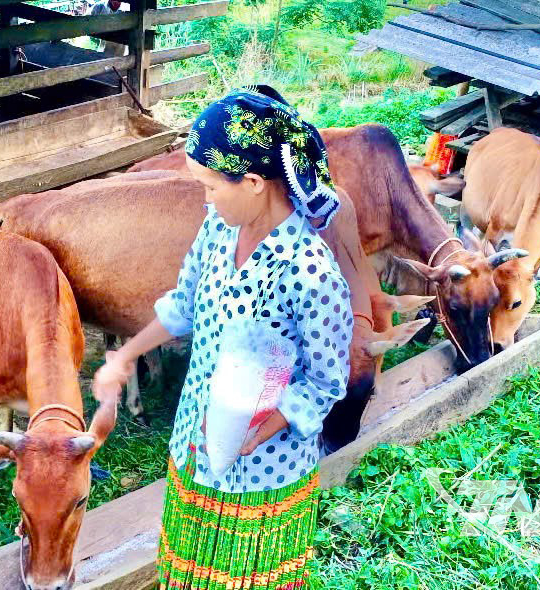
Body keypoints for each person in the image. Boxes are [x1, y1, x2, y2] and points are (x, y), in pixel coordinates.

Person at [93, 87, 352, 590]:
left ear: (254, 182)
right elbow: (185, 303)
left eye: (211, 186)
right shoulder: (218, 229)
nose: (205, 199)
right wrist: (126, 354)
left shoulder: (311, 275)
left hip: (262, 469)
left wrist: (262, 428)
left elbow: (325, 382)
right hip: (195, 438)